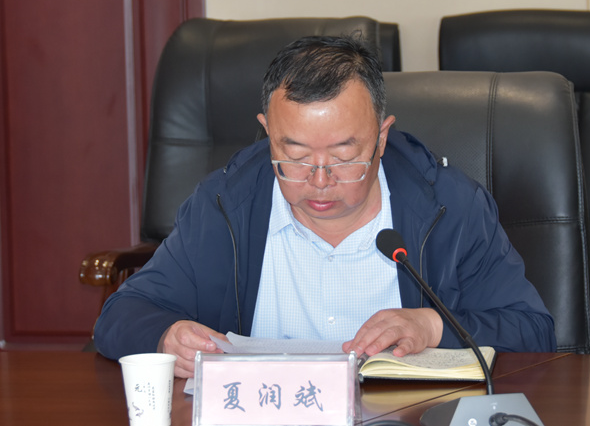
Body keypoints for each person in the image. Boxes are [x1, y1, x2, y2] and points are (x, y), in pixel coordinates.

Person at [94, 35, 556, 378]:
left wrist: (433, 327)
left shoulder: (450, 208)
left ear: (381, 138)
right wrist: (165, 336)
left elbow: (533, 331)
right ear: (268, 132)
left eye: (342, 157)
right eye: (294, 156)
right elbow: (121, 315)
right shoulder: (223, 206)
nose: (319, 180)